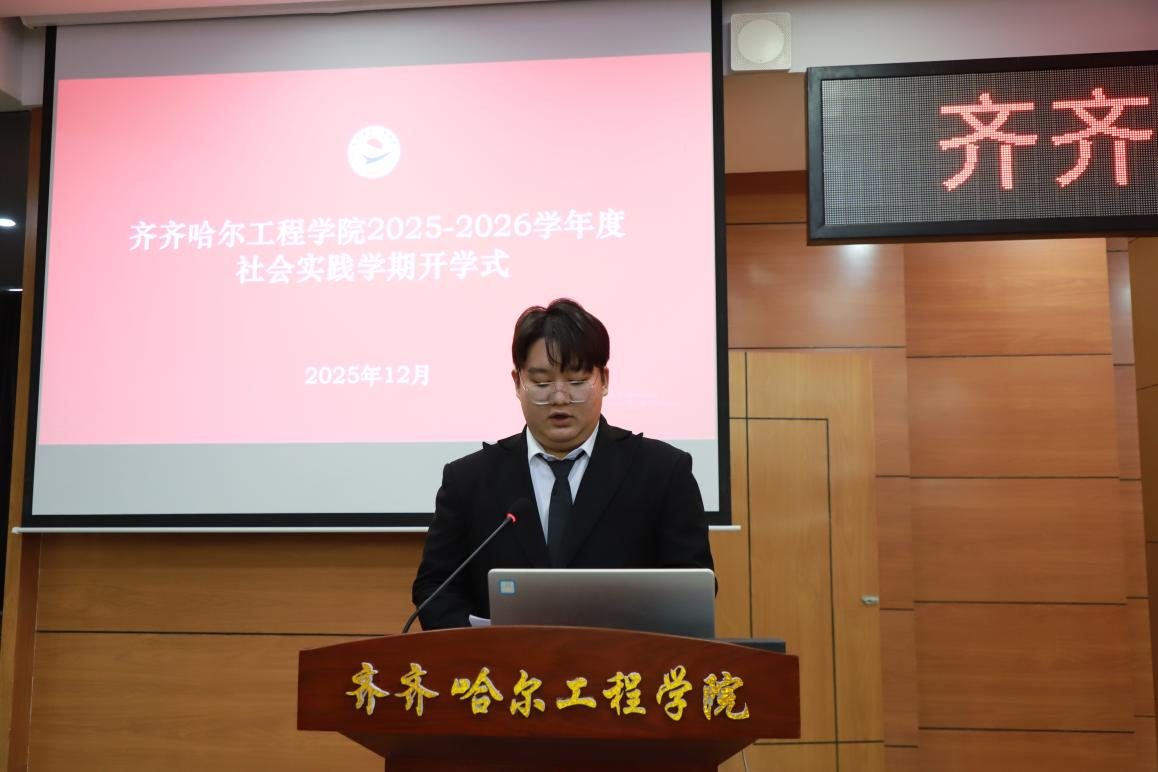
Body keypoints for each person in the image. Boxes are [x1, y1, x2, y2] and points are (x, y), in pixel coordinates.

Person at [410, 298, 713, 630]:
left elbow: (693, 588)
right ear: (517, 383)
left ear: (604, 380)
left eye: (577, 381)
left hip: (623, 661)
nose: (559, 398)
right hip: (502, 662)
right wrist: (481, 646)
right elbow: (435, 590)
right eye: (542, 383)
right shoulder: (469, 481)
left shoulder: (662, 473)